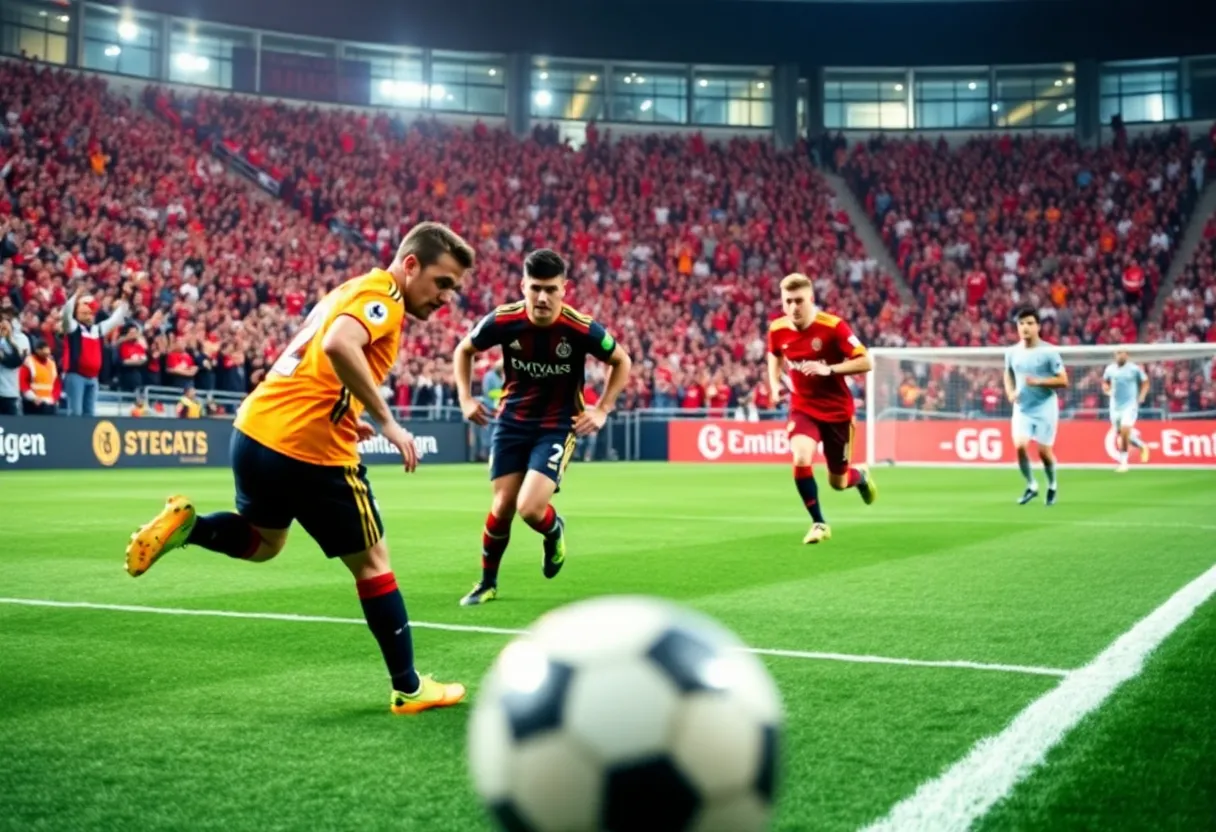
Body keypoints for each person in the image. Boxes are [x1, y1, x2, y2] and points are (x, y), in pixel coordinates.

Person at [125, 222, 475, 715]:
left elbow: (317, 361)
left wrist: (347, 415)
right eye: (443, 283)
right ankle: (409, 687)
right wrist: (388, 421)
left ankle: (190, 528)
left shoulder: (350, 289)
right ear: (411, 264)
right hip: (308, 450)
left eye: (454, 289)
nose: (446, 298)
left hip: (255, 430)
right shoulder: (385, 297)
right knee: (374, 563)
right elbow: (337, 345)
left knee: (265, 542)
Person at [453, 249, 632, 606]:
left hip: (556, 426)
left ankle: (553, 530)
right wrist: (465, 398)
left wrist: (602, 409)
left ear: (564, 289)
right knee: (502, 505)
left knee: (530, 509)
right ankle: (488, 583)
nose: (542, 297)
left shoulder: (580, 328)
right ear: (523, 286)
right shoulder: (504, 320)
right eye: (535, 288)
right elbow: (464, 350)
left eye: (551, 289)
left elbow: (621, 360)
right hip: (511, 422)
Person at [766, 273, 876, 545]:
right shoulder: (778, 328)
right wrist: (773, 384)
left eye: (799, 301)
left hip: (837, 411)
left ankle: (860, 476)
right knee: (801, 458)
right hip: (803, 406)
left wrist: (829, 369)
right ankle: (819, 523)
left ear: (811, 299)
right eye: (788, 301)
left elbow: (866, 362)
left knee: (838, 483)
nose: (794, 308)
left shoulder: (834, 327)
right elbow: (774, 354)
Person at [1004, 306, 1069, 506]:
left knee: (1044, 453)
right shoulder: (1011, 352)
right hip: (1022, 408)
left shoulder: (1048, 351)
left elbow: (1064, 380)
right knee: (1020, 446)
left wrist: (1039, 382)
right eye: (1021, 323)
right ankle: (1032, 485)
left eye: (1030, 323)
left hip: (1045, 407)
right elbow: (1007, 373)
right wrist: (1010, 392)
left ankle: (1052, 485)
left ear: (1038, 326)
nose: (1025, 327)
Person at [1102, 349, 1150, 472]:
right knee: (1121, 433)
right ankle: (1142, 445)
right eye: (1118, 353)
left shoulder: (1134, 369)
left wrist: (1142, 395)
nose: (1120, 355)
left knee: (1124, 430)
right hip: (1115, 406)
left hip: (1130, 406)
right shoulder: (1110, 369)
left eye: (1122, 353)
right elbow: (1105, 383)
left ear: (1127, 355)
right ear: (1115, 355)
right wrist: (1107, 390)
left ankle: (1124, 463)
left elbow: (1145, 382)